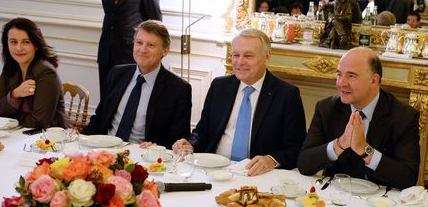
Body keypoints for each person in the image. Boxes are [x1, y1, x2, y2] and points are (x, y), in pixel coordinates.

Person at [172, 28, 306, 176]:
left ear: (266, 57)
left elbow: (296, 148)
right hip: (214, 168)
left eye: (248, 56)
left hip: (257, 174)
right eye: (235, 55)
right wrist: (190, 144)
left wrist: (271, 159)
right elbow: (203, 131)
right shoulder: (220, 86)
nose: (240, 62)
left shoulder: (287, 94)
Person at [298, 47, 420, 190]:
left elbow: (408, 178)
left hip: (380, 199)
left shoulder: (403, 117)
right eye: (339, 74)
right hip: (334, 194)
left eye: (351, 76)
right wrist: (340, 144)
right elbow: (304, 163)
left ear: (374, 80)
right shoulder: (327, 108)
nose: (341, 83)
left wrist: (365, 149)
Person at [82, 20, 192, 149]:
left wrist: (157, 148)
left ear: (165, 51)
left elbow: (178, 140)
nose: (142, 50)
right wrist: (80, 138)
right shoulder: (117, 74)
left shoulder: (178, 89)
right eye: (139, 43)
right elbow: (100, 118)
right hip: (104, 150)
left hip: (143, 158)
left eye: (150, 45)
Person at [98, 0, 162, 100]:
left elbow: (155, 25)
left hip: (131, 56)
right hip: (105, 54)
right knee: (105, 100)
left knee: (127, 102)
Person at [0, 18, 69, 129]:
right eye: (13, 42)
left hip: (49, 139)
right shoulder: (10, 67)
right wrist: (14, 95)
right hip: (20, 135)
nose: (19, 48)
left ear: (36, 44)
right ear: (7, 44)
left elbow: (40, 122)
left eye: (26, 42)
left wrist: (11, 120)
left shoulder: (47, 72)